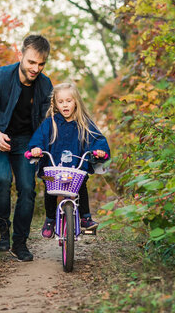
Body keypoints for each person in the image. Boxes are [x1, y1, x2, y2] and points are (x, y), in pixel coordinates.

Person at [0, 35, 53, 261]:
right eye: (31, 62)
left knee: (28, 189)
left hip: (26, 142)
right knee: (2, 179)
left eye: (41, 64)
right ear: (20, 56)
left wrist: (43, 144)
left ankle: (20, 243)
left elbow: (45, 121)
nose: (35, 68)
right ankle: (2, 233)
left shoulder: (45, 84)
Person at [27, 82, 110, 238]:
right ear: (55, 104)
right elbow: (39, 138)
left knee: (81, 185)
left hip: (75, 167)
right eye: (61, 101)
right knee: (49, 187)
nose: (65, 105)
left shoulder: (84, 123)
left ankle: (85, 217)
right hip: (53, 168)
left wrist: (100, 151)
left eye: (69, 101)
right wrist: (36, 149)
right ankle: (50, 219)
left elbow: (97, 138)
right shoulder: (50, 123)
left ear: (76, 102)